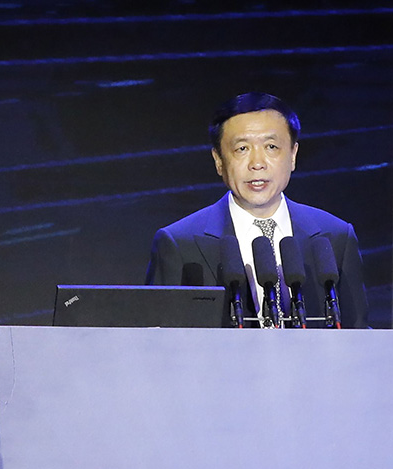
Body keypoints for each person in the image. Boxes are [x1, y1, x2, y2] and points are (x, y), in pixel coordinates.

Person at [145, 92, 368, 328]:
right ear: (218, 160)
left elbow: (358, 332)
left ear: (293, 155)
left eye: (271, 146)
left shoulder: (336, 236)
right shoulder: (179, 243)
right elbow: (157, 336)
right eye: (242, 149)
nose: (257, 163)